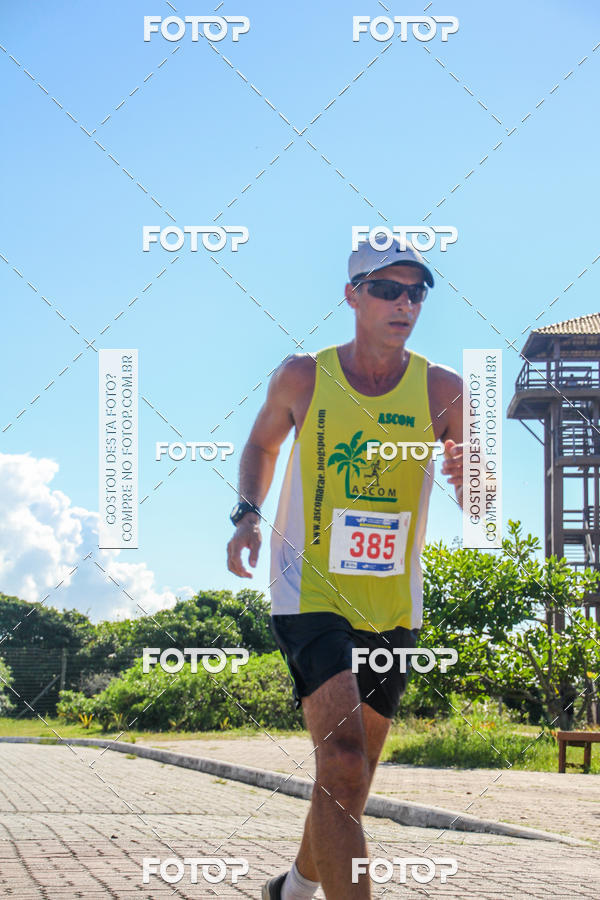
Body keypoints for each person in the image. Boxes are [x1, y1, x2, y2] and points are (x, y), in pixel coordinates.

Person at [227, 237, 464, 900]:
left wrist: (474, 474)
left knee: (350, 779)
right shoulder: (304, 375)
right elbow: (260, 443)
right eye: (387, 289)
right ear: (352, 295)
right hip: (310, 590)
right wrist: (247, 513)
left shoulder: (443, 389)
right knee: (342, 758)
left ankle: (294, 889)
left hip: (392, 600)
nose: (404, 303)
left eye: (416, 291)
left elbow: (482, 488)